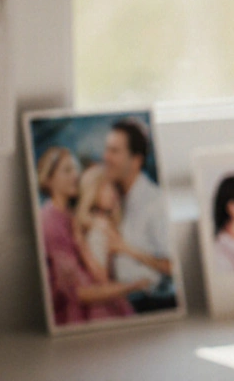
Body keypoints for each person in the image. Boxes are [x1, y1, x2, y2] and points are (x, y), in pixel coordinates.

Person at [36, 147, 140, 325]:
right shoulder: (49, 221)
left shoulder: (72, 216)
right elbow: (76, 292)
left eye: (76, 169)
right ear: (48, 179)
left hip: (101, 304)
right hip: (77, 317)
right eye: (67, 170)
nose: (75, 175)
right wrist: (133, 286)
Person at [102, 118, 177, 312]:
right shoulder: (112, 198)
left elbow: (174, 266)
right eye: (107, 150)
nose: (106, 157)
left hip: (149, 303)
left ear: (136, 161)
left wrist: (126, 249)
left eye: (114, 151)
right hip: (119, 302)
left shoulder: (156, 202)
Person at [73, 164, 125, 284]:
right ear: (93, 191)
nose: (112, 192)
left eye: (113, 186)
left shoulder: (110, 221)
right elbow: (102, 279)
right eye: (105, 187)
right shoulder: (98, 229)